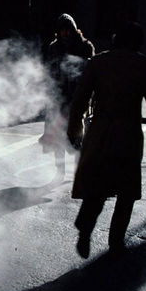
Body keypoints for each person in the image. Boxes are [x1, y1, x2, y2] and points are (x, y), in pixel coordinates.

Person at [66, 21, 146, 258]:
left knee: (97, 187)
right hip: (129, 136)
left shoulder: (98, 62)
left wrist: (74, 130)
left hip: (100, 133)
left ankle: (85, 228)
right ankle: (116, 241)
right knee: (126, 192)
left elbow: (79, 101)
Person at [40, 13, 95, 180]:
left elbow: (92, 72)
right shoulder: (54, 47)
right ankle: (60, 172)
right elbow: (49, 72)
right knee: (57, 138)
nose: (66, 33)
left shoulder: (85, 46)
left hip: (78, 99)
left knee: (78, 137)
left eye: (68, 29)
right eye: (63, 30)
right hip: (58, 99)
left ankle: (80, 171)